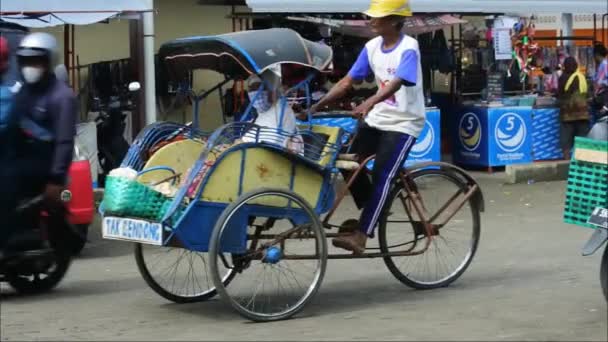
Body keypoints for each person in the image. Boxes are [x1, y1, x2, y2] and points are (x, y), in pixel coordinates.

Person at [308, 0, 425, 254]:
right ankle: (373, 206)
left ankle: (362, 234)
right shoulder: (371, 47)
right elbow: (348, 81)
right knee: (347, 161)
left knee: (384, 175)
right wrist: (316, 107)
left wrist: (369, 102)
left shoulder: (409, 47)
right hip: (378, 119)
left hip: (405, 122)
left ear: (394, 20)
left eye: (378, 17)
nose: (371, 20)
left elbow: (396, 83)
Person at [2, 32, 78, 252]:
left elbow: (65, 141)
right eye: (26, 61)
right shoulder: (24, 91)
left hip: (44, 163)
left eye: (36, 61)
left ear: (49, 61)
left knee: (5, 181)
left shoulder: (61, 97)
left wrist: (56, 178)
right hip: (21, 155)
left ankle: (8, 241)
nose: (30, 67)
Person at [242, 65, 303, 154]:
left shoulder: (281, 111)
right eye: (251, 89)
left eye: (259, 87)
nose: (254, 93)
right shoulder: (260, 113)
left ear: (271, 90)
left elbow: (269, 142)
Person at [557, 56, 589, 158]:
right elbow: (587, 92)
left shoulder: (563, 77)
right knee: (582, 137)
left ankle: (566, 159)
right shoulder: (581, 76)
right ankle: (581, 159)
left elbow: (560, 94)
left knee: (566, 137)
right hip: (582, 113)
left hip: (567, 113)